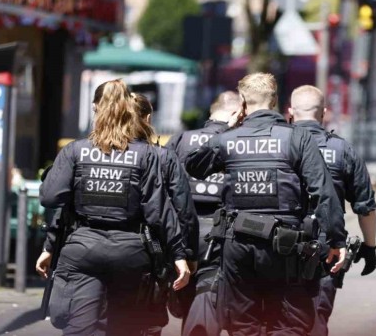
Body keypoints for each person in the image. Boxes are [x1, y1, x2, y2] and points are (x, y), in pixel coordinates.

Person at [185, 73, 348, 336]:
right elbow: (323, 192)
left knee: (242, 323)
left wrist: (227, 128)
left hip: (237, 242)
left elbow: (193, 165)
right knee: (291, 323)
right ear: (274, 101)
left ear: (242, 102)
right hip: (285, 245)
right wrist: (336, 240)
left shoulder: (229, 139)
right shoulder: (297, 138)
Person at [39, 80, 193, 336]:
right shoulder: (146, 154)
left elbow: (51, 198)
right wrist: (179, 254)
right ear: (128, 110)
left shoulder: (75, 151)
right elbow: (158, 210)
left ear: (94, 108)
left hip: (82, 249)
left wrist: (49, 247)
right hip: (131, 252)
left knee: (79, 328)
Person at [288, 85, 376, 336]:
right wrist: (370, 248)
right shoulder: (342, 150)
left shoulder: (276, 144)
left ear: (291, 112)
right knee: (316, 319)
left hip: (276, 246)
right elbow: (365, 206)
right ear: (324, 113)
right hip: (326, 247)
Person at [165, 91, 241, 336]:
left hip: (180, 235)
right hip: (221, 237)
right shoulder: (239, 141)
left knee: (190, 301)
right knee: (208, 299)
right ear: (236, 113)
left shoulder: (180, 139)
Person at [132, 92, 200, 335]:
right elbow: (184, 211)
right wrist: (188, 254)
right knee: (148, 322)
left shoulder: (95, 152)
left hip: (96, 247)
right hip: (151, 251)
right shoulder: (163, 156)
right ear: (148, 118)